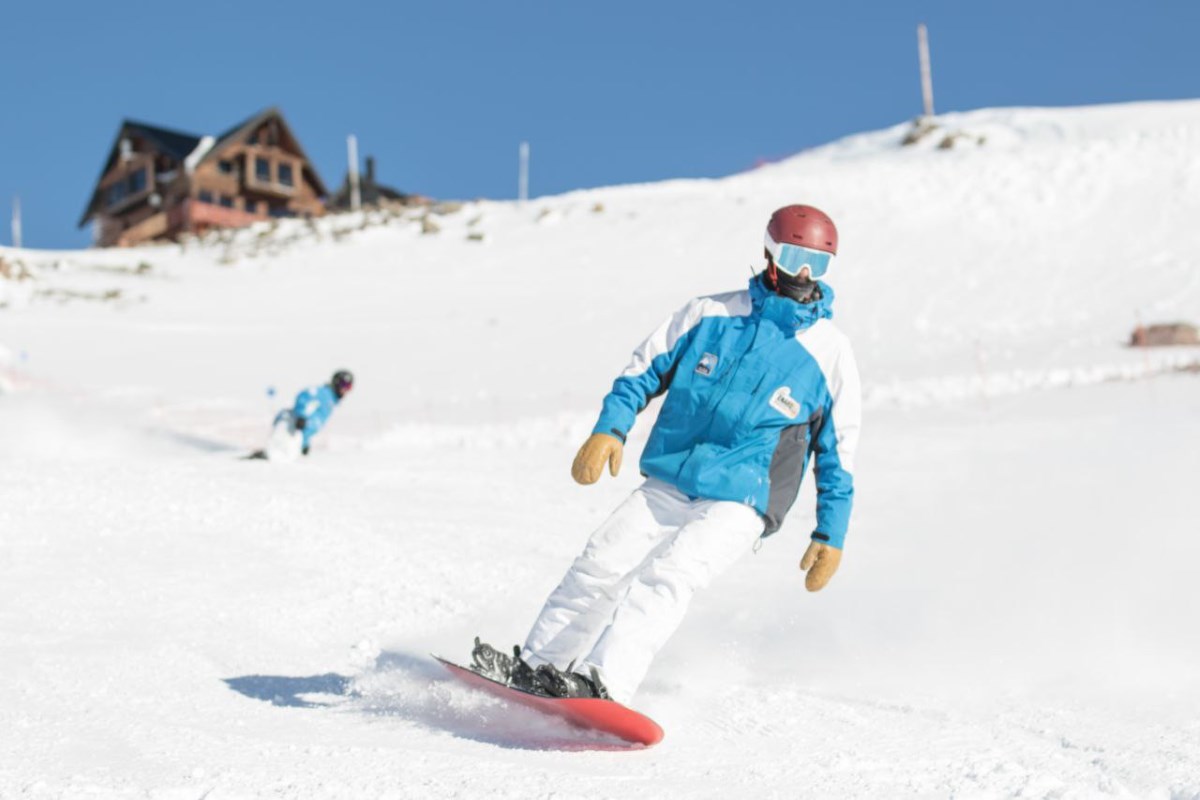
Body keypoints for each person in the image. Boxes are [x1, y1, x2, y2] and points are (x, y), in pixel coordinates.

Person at [471, 205, 862, 705]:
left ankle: (603, 683)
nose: (804, 274)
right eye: (794, 256)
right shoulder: (708, 313)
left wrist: (831, 531)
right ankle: (538, 665)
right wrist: (610, 429)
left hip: (744, 495)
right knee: (600, 562)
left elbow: (839, 452)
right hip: (673, 475)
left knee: (669, 576)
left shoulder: (830, 351)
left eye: (818, 264)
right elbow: (642, 371)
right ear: (769, 253)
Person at [246, 370, 354, 460]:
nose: (346, 390)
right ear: (336, 382)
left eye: (349, 387)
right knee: (276, 456)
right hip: (291, 425)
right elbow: (304, 396)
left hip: (296, 433)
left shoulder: (331, 401)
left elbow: (311, 427)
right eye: (344, 385)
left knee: (284, 458)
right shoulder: (323, 393)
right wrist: (301, 416)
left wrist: (305, 443)